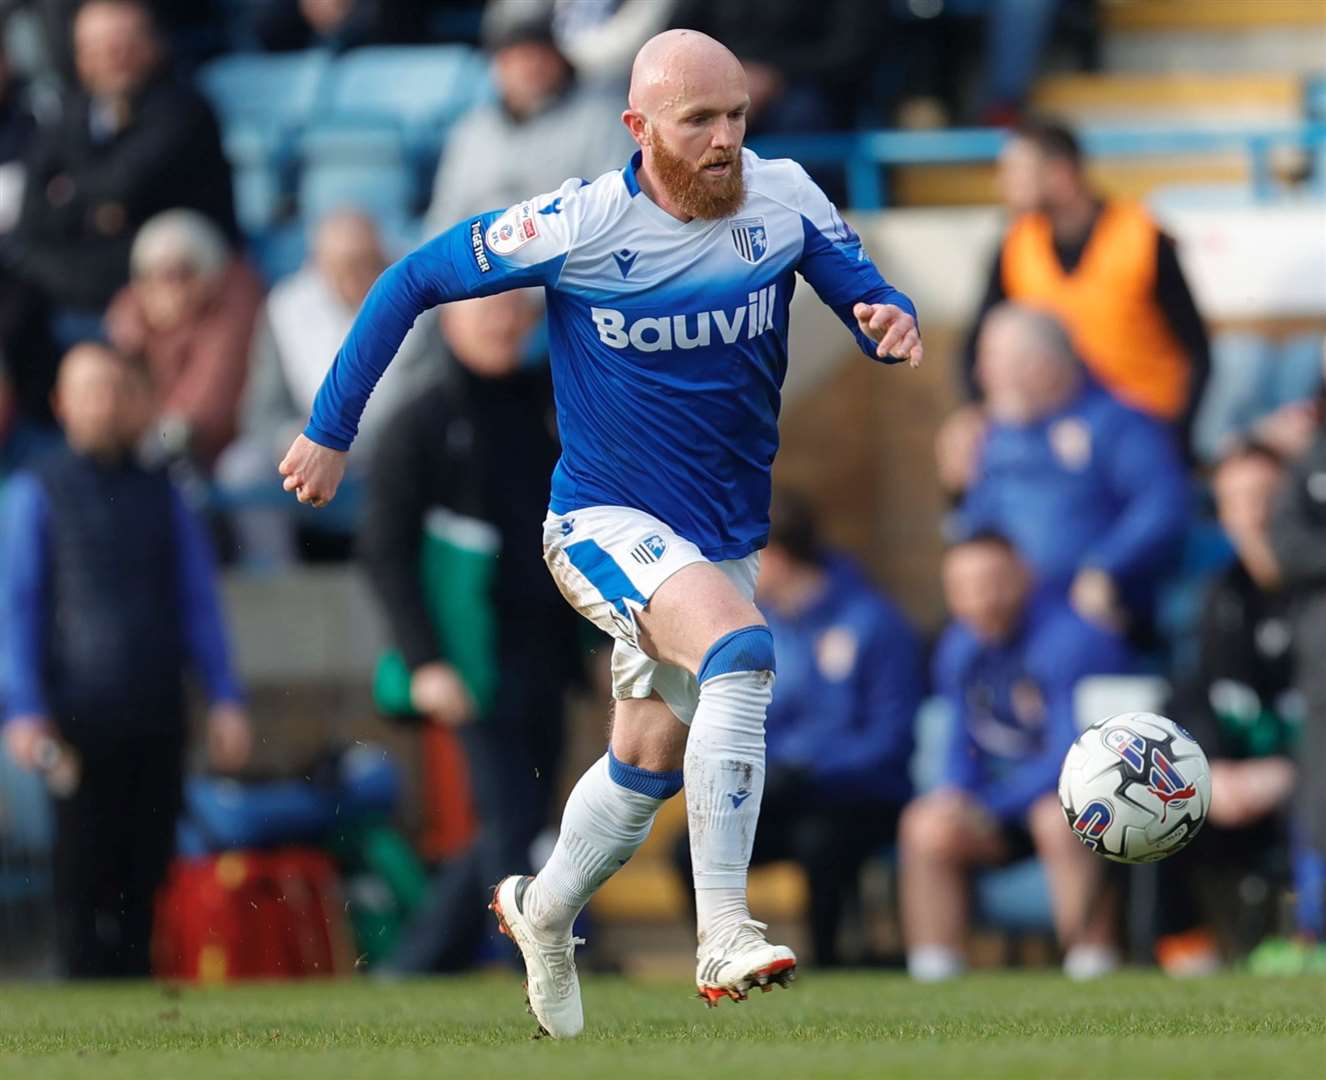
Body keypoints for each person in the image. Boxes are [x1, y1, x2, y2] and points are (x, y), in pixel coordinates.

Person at [277, 28, 922, 1037]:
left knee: (642, 768)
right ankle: (724, 932)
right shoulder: (581, 225)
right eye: (698, 120)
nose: (724, 140)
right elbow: (411, 279)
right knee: (743, 656)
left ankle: (541, 911)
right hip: (601, 523)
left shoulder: (785, 195)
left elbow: (864, 290)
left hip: (720, 539)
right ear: (638, 127)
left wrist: (890, 319)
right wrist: (329, 430)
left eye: (736, 115)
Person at [0, 342, 249, 978]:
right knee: (81, 869)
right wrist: (24, 708)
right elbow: (17, 606)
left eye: (114, 388)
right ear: (61, 404)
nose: (103, 403)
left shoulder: (163, 493)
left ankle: (135, 999)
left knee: (146, 871)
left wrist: (225, 697)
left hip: (156, 708)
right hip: (76, 715)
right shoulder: (36, 492)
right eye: (87, 391)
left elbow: (198, 601)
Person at [362, 289, 583, 973]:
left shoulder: (552, 407)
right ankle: (518, 962)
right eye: (487, 310)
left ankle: (417, 965)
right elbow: (384, 551)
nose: (503, 323)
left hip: (544, 648)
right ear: (450, 321)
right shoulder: (420, 422)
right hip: (471, 656)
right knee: (511, 817)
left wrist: (599, 645)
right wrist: (426, 660)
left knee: (523, 816)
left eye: (517, 311)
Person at [672, 491, 922, 967]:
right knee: (686, 847)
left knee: (819, 840)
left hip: (865, 795)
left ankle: (829, 965)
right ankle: (717, 957)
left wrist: (810, 767)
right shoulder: (766, 629)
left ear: (777, 557)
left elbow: (892, 738)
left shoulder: (875, 622)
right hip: (787, 791)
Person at [901, 531, 1132, 982]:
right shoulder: (958, 648)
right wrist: (955, 794)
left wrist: (990, 805)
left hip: (1079, 797)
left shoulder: (1073, 639)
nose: (978, 599)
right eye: (963, 588)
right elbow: (958, 737)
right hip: (1001, 808)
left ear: (1023, 576)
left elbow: (1076, 756)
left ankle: (1092, 962)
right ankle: (934, 973)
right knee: (926, 823)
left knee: (1058, 816)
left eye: (990, 582)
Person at [962, 117, 1209, 441]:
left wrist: (1179, 436)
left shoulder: (1142, 238)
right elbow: (975, 344)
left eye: (1016, 171)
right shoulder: (1016, 245)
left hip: (1145, 428)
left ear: (1061, 175)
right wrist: (981, 411)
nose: (1004, 184)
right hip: (1054, 434)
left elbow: (1197, 351)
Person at [216, 209, 440, 565]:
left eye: (363, 262)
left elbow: (431, 396)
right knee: (243, 468)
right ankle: (274, 579)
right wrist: (298, 442)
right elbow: (261, 410)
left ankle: (403, 571)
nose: (352, 276)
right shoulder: (285, 308)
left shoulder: (423, 303)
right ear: (317, 265)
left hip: (394, 449)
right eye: (340, 265)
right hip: (309, 449)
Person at [950, 303, 1188, 633]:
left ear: (1042, 368)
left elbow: (1164, 505)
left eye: (993, 362)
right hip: (1007, 614)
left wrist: (1105, 567)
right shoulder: (999, 434)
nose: (980, 376)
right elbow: (979, 519)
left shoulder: (1119, 425)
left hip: (1092, 609)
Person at [1155, 443, 1299, 974]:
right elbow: (1188, 700)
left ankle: (1307, 941)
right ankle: (1189, 964)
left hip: (1305, 791)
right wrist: (1209, 772)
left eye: (1266, 496)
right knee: (1147, 807)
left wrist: (1293, 774)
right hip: (1234, 789)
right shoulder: (1218, 597)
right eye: (1237, 501)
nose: (1254, 513)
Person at [8, 0, 236, 326]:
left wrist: (66, 195)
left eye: (123, 44)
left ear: (154, 44)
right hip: (77, 279)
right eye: (96, 48)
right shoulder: (70, 113)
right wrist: (91, 211)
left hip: (167, 284)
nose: (113, 58)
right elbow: (32, 213)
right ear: (79, 57)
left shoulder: (184, 109)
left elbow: (120, 187)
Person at [422, 7, 634, 233]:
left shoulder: (601, 120)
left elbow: (616, 211)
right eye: (518, 56)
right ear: (498, 64)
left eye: (541, 53)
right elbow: (445, 218)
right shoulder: (472, 131)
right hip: (481, 259)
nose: (531, 66)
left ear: (561, 60)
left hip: (565, 256)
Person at [104, 209, 264, 471]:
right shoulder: (131, 312)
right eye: (153, 276)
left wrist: (160, 428)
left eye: (178, 275)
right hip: (155, 432)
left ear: (206, 275)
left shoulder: (234, 306)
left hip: (216, 444)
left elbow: (210, 402)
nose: (165, 287)